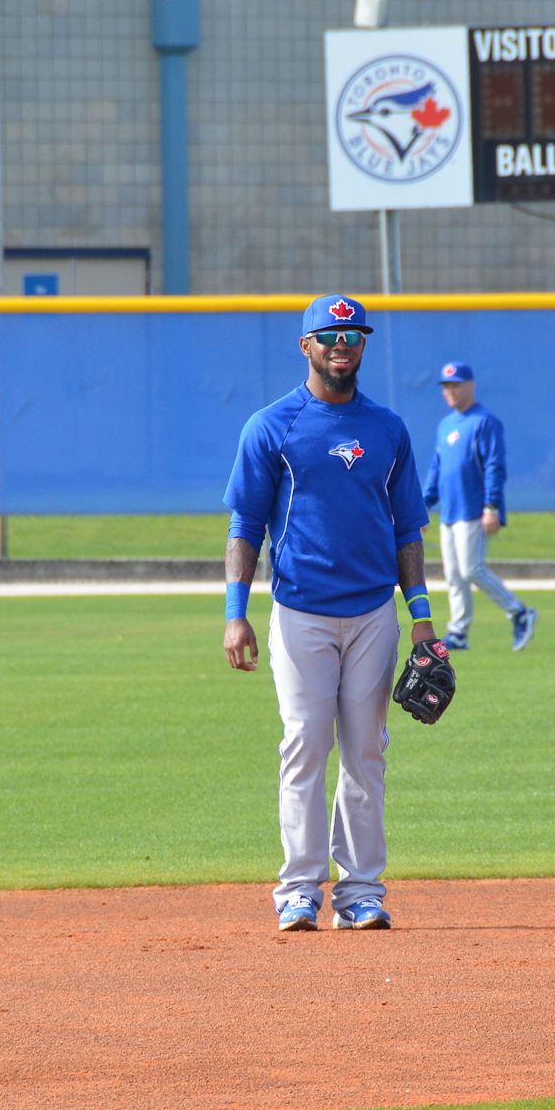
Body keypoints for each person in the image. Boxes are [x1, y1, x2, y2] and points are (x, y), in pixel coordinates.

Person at [222, 294, 437, 933]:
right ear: (306, 346)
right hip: (300, 613)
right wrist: (237, 613)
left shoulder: (388, 429)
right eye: (329, 335)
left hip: (373, 611)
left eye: (352, 335)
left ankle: (361, 890)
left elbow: (408, 530)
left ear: (363, 346)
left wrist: (422, 618)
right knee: (305, 745)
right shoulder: (272, 425)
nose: (341, 344)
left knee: (366, 751)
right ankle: (298, 889)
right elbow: (246, 523)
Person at [423, 361, 538, 652]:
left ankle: (519, 611)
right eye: (446, 386)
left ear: (471, 386)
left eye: (456, 384)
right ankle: (458, 633)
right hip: (449, 511)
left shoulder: (485, 421)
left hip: (474, 508)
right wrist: (422, 505)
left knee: (472, 569)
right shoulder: (446, 424)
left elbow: (494, 466)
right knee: (454, 575)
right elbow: (437, 469)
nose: (450, 390)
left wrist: (492, 506)